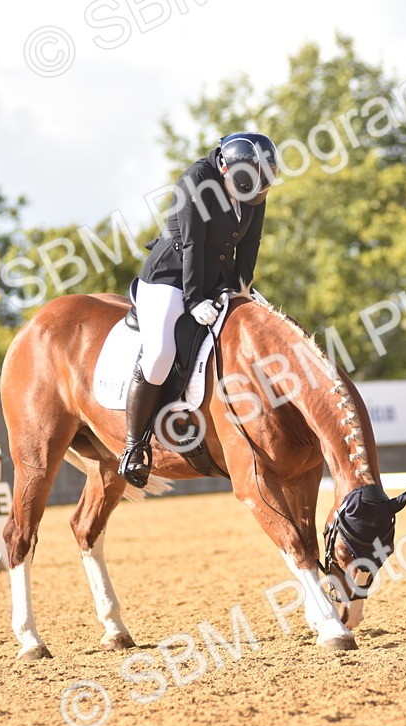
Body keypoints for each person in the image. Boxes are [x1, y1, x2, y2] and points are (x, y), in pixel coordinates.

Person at [119, 132, 279, 488]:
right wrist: (193, 301)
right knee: (160, 353)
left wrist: (242, 289)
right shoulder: (195, 181)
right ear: (223, 166)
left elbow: (250, 242)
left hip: (216, 280)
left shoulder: (254, 182)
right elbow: (192, 244)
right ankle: (133, 447)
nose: (250, 199)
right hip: (171, 277)